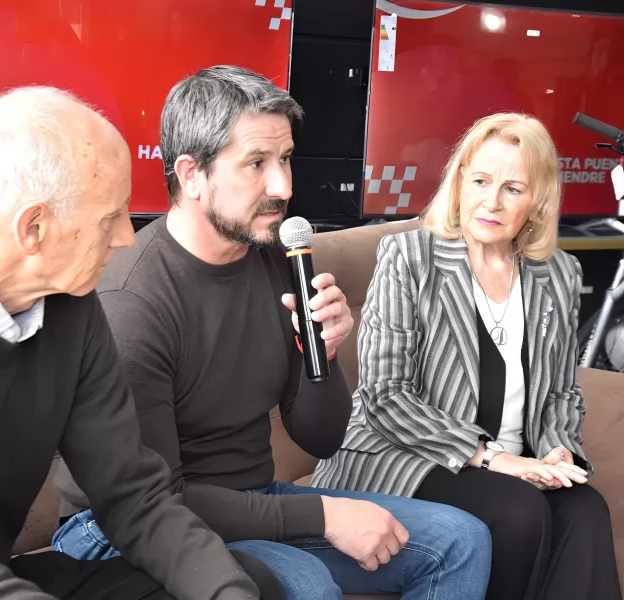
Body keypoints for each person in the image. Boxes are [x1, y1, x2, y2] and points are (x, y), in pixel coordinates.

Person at [52, 65, 492, 600]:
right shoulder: (133, 306)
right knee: (306, 585)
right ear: (192, 175)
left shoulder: (280, 260)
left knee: (461, 540)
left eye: (284, 159)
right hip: (122, 527)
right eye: (256, 163)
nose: (283, 186)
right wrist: (323, 513)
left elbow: (321, 437)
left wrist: (323, 357)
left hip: (252, 500)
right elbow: (153, 502)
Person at [0, 85, 285, 600]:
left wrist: (227, 590)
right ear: (35, 227)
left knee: (247, 584)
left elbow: (133, 496)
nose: (126, 238)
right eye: (109, 217)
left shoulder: (70, 300)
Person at [311, 112, 622, 600]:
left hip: (519, 462)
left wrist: (558, 450)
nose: (491, 201)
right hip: (406, 454)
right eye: (480, 180)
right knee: (520, 512)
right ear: (459, 182)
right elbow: (384, 396)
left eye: (513, 188)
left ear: (538, 201)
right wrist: (495, 459)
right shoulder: (409, 257)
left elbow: (562, 390)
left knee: (586, 510)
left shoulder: (559, 273)